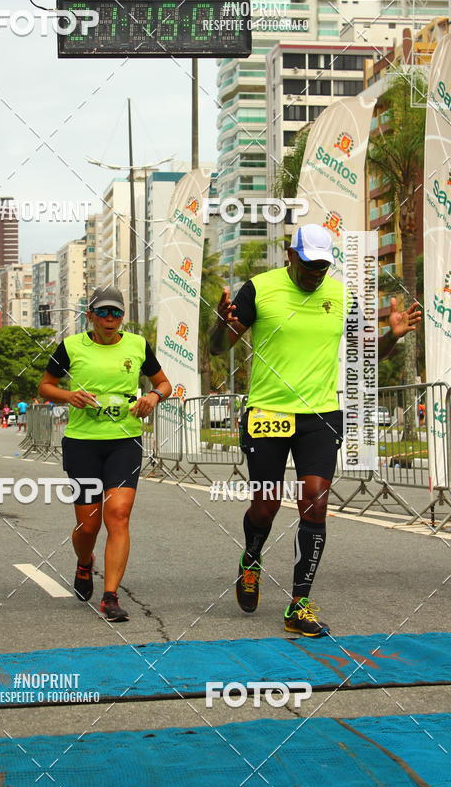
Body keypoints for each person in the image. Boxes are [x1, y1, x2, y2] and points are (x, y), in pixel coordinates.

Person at [210, 224, 422, 638]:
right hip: (267, 411)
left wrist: (391, 336)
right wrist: (221, 325)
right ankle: (251, 558)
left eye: (323, 266)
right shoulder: (258, 289)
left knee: (316, 502)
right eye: (308, 264)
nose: (315, 273)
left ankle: (299, 603)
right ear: (291, 255)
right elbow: (220, 347)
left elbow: (365, 356)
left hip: (321, 413)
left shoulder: (343, 296)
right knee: (266, 505)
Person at [39, 285, 171, 622]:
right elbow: (45, 385)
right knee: (88, 526)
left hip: (124, 441)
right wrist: (68, 397)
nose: (110, 318)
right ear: (90, 316)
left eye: (116, 312)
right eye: (103, 312)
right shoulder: (70, 347)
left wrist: (153, 398)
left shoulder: (138, 345)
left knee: (119, 514)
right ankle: (85, 563)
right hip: (82, 442)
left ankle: (110, 596)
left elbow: (164, 383)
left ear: (122, 317)